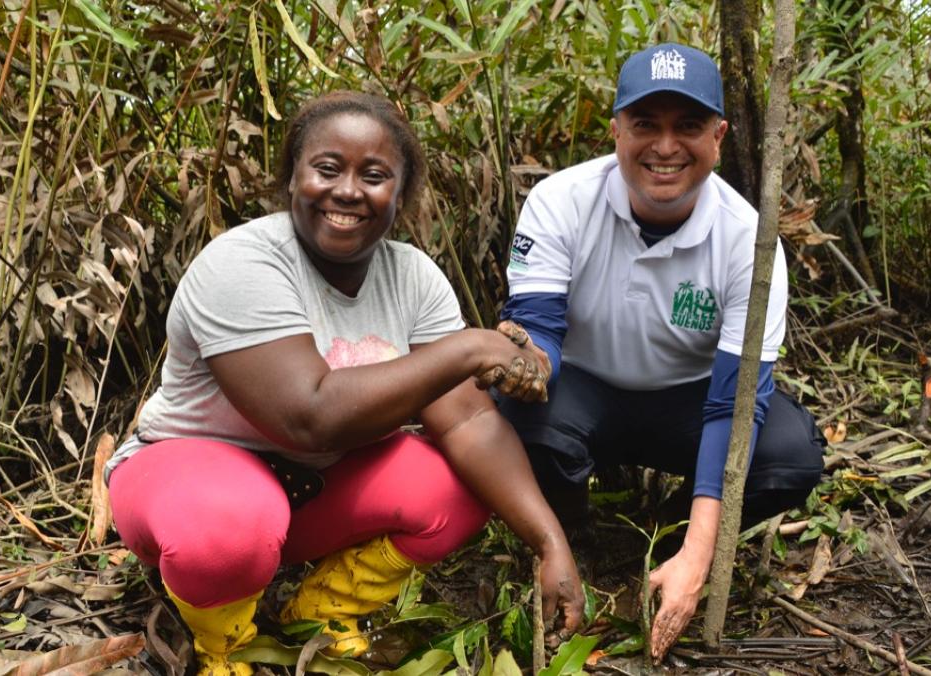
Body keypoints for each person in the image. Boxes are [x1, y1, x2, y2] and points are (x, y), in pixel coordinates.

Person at [105, 91, 584, 676]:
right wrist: (469, 346)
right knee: (230, 526)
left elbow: (470, 420)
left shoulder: (411, 276)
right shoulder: (242, 264)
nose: (349, 191)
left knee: (458, 485)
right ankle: (224, 642)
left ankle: (323, 609)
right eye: (327, 169)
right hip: (191, 475)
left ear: (400, 195)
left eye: (375, 175)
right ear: (292, 179)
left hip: (310, 490)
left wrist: (549, 543)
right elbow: (307, 416)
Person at [495, 44, 826, 661]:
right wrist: (524, 365)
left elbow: (734, 403)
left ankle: (671, 533)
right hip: (584, 387)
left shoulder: (749, 242)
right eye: (646, 124)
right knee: (515, 415)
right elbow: (538, 329)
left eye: (689, 126)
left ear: (720, 136)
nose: (665, 146)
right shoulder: (559, 201)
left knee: (789, 454)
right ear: (616, 128)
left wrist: (700, 555)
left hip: (690, 401)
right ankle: (570, 527)